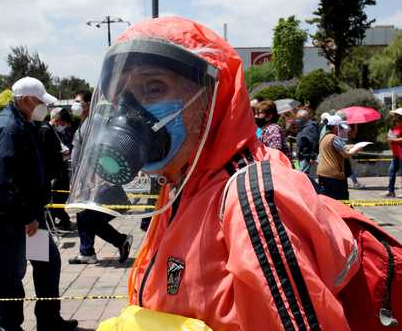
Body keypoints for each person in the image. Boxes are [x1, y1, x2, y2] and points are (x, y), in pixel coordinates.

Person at [68, 17, 366, 331]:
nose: (128, 110)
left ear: (210, 98)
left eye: (153, 88)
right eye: (121, 95)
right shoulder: (181, 182)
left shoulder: (254, 197)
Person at [0, 77, 78, 331]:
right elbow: (5, 180)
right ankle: (7, 326)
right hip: (14, 216)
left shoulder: (20, 123)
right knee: (11, 273)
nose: (43, 106)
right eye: (40, 101)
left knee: (46, 263)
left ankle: (48, 320)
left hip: (26, 212)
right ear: (24, 100)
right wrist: (27, 218)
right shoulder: (9, 128)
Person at [68, 90, 133, 264]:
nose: (74, 105)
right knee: (84, 217)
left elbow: (97, 150)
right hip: (85, 181)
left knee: (89, 218)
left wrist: (90, 179)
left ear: (89, 104)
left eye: (78, 101)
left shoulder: (95, 122)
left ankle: (119, 241)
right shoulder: (86, 122)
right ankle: (87, 251)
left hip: (94, 181)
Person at [38, 107, 75, 232]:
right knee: (53, 202)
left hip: (57, 172)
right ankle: (52, 225)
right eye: (62, 123)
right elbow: (45, 154)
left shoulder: (53, 131)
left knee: (57, 201)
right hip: (52, 174)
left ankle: (52, 225)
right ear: (57, 120)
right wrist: (61, 155)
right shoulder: (45, 131)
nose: (63, 126)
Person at [317, 115, 362, 200]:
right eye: (340, 128)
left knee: (328, 198)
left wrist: (352, 146)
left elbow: (339, 148)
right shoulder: (334, 138)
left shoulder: (325, 136)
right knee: (342, 198)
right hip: (333, 174)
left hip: (322, 173)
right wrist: (356, 149)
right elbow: (345, 154)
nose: (342, 130)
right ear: (335, 127)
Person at [295, 109, 319, 175]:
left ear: (304, 118)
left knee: (304, 176)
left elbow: (314, 142)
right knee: (304, 175)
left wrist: (312, 157)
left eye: (298, 118)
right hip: (302, 156)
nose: (297, 120)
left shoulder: (310, 127)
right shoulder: (304, 127)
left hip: (307, 157)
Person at [385, 107, 402, 197]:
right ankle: (391, 191)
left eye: (396, 115)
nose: (394, 117)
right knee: (391, 171)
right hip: (395, 154)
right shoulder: (393, 127)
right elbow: (391, 139)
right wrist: (389, 140)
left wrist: (394, 140)